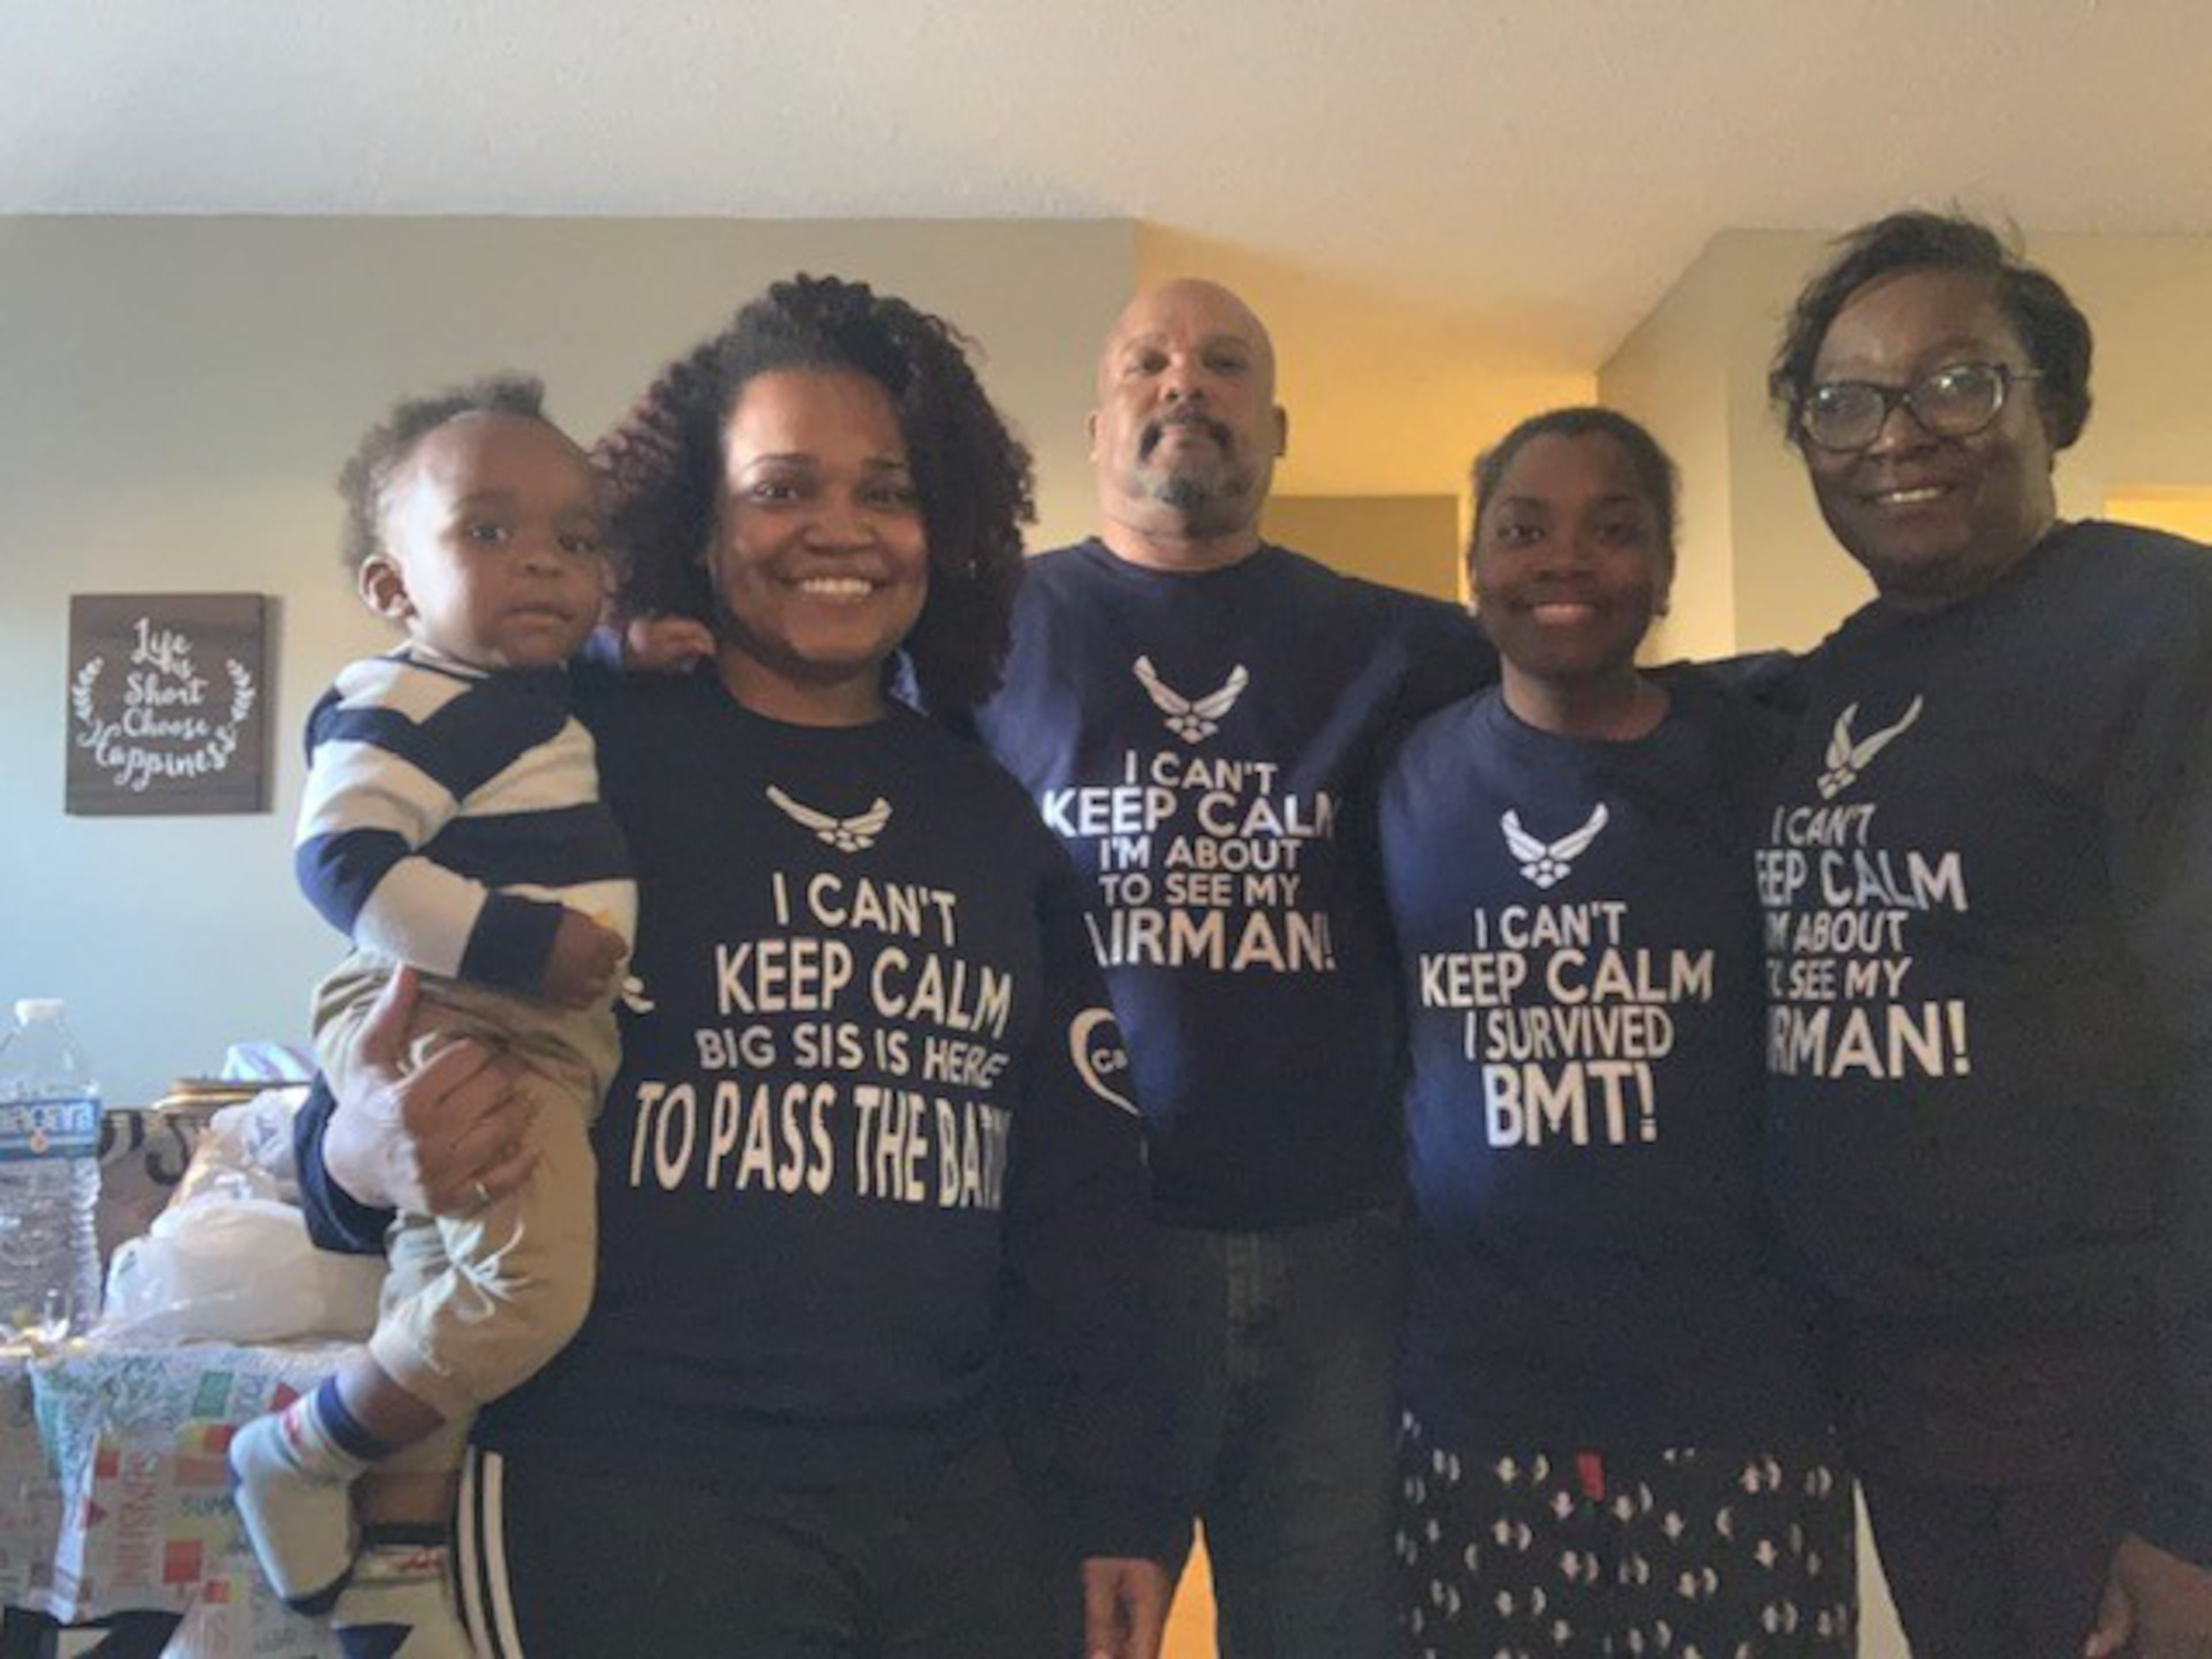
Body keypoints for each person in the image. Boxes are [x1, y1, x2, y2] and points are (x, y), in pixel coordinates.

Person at [294, 274, 1176, 1659]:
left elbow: (1076, 1193)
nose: (839, 529)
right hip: (627, 1492)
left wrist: (1119, 1497)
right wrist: (359, 1154)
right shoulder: (569, 755)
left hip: (959, 1506)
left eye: (885, 491)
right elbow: (360, 1097)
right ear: (699, 533)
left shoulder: (991, 816)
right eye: (781, 489)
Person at [971, 278, 1495, 1657]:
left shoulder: (1409, 647)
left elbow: (1597, 696)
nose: (1184, 383)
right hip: (1079, 1253)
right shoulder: (978, 634)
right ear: (1096, 427)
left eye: (1223, 363)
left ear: (1279, 423)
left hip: (1342, 1257)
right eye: (1147, 361)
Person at [1759, 210, 2212, 1658]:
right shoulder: (1838, 684)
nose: (1898, 435)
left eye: (1956, 383)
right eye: (1844, 404)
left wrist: (2195, 1500)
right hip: (1910, 1399)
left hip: (2111, 1407)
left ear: (2054, 405)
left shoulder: (2160, 633)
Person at [1379, 407, 1851, 1657]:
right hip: (1480, 1402)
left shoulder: (1764, 762)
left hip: (1735, 1396)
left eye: (1615, 528)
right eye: (1525, 529)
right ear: (1474, 568)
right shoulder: (1404, 779)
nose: (1567, 559)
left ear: (1667, 567)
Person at [228, 376, 631, 1658]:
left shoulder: (532, 696)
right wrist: (530, 943)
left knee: (439, 1282)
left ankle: (394, 1600)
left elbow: (535, 755)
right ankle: (301, 1448)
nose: (546, 565)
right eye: (491, 532)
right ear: (392, 588)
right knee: (529, 1289)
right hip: (462, 1004)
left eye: (578, 540)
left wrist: (637, 653)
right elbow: (341, 868)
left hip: (508, 1010)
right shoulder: (396, 696)